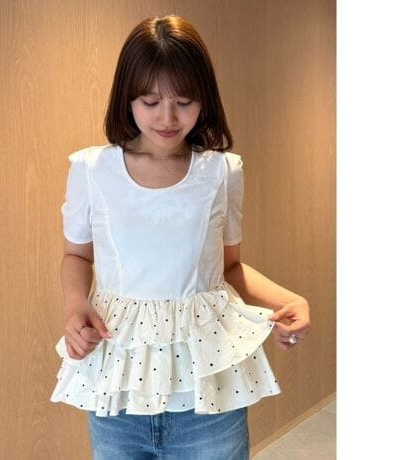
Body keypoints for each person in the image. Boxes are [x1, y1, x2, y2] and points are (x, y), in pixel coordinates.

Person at [50, 14, 310, 460]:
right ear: (127, 98)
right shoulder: (91, 170)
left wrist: (291, 300)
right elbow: (77, 255)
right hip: (119, 380)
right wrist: (76, 304)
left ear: (204, 99)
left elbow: (229, 267)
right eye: (150, 101)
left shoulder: (222, 172)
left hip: (207, 387)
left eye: (184, 101)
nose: (167, 118)